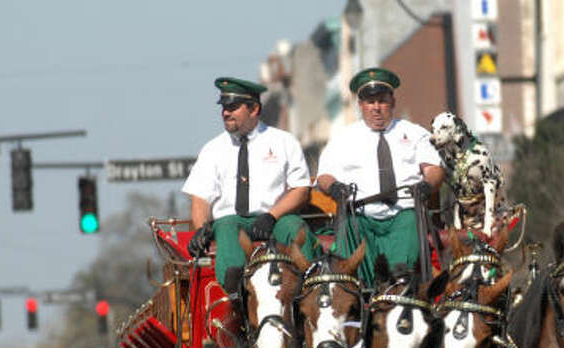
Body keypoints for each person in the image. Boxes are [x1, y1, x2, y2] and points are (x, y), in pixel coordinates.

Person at [183, 76, 317, 290]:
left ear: (254, 109)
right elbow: (200, 197)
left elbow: (301, 190)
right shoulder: (212, 149)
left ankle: (308, 291)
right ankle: (234, 295)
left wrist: (271, 216)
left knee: (295, 227)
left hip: (275, 218)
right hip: (232, 222)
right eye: (224, 107)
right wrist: (200, 229)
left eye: (233, 107)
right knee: (226, 225)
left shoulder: (283, 142)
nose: (226, 113)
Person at [316, 67, 443, 285]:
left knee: (401, 274)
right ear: (360, 105)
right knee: (351, 271)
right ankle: (357, 302)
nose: (376, 108)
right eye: (370, 102)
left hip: (403, 214)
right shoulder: (343, 138)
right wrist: (334, 187)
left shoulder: (415, 134)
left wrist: (427, 185)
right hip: (360, 216)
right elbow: (324, 175)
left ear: (392, 102)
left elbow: (433, 169)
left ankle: (400, 294)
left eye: (382, 101)